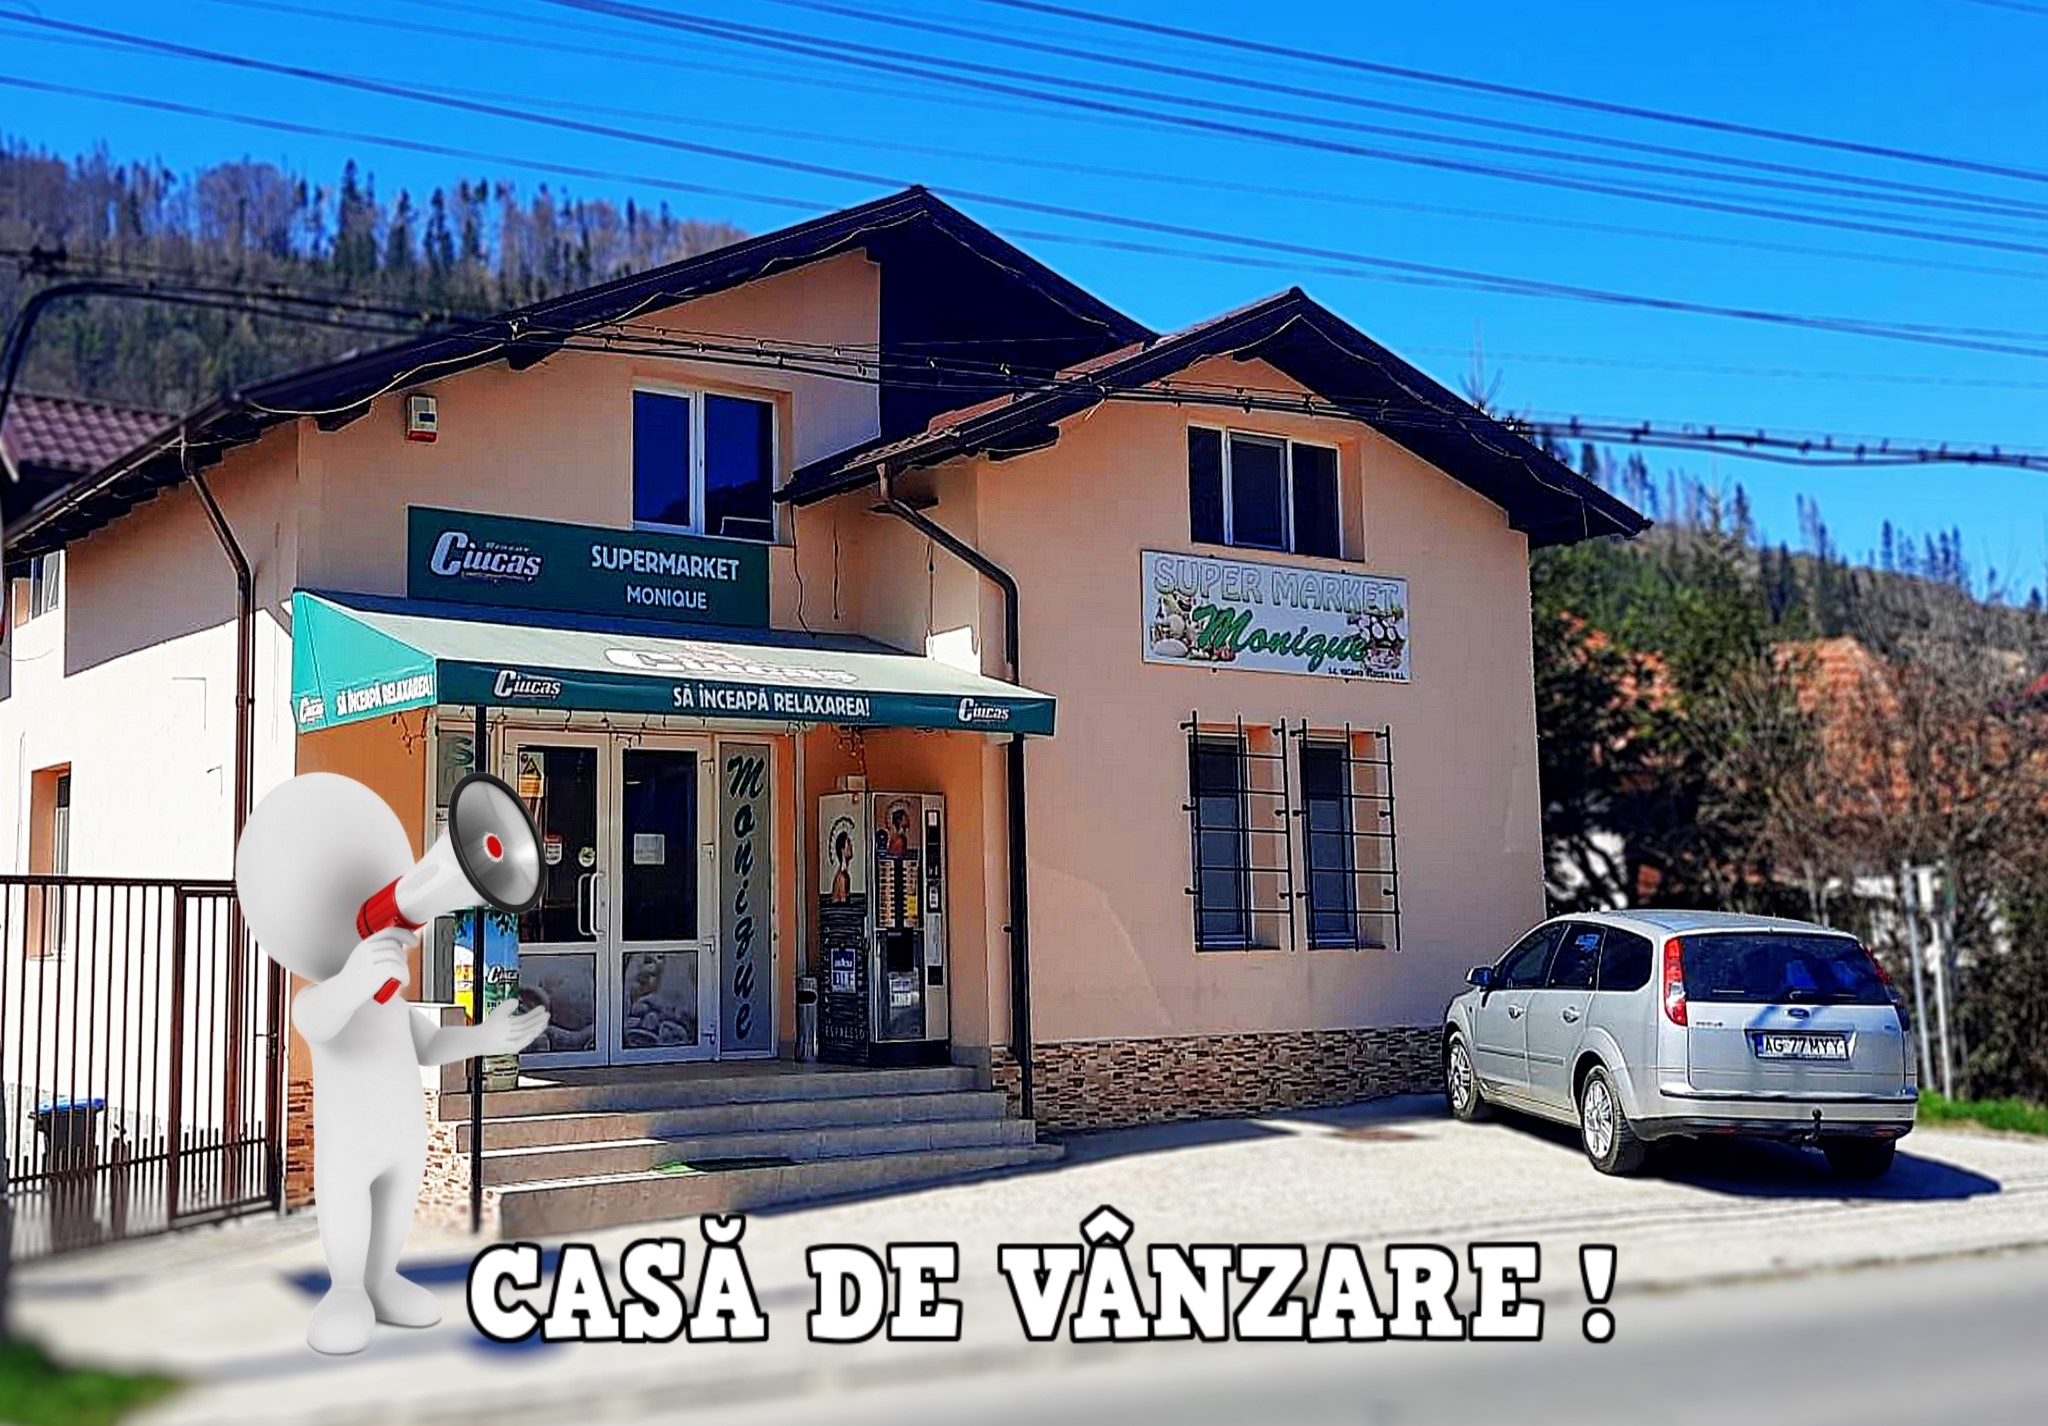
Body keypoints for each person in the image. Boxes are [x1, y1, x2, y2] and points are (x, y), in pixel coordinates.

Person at [235, 774, 549, 1355]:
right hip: (351, 1144)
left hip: (403, 1137)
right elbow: (317, 1021)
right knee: (348, 1204)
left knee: (397, 1200)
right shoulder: (322, 998)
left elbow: (427, 1046)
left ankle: (382, 1279)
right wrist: (354, 981)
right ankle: (346, 1290)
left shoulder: (391, 1006)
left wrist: (485, 1037)